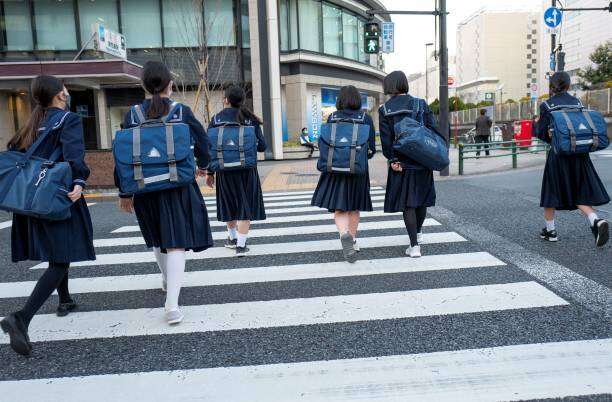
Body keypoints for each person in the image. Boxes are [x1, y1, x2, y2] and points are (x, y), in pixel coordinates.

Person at [0, 75, 95, 356]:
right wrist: (79, 181)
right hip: (55, 197)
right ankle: (22, 318)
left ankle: (64, 298)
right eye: (64, 87)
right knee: (61, 257)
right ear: (60, 94)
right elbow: (74, 154)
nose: (67, 91)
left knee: (58, 252)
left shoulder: (32, 123)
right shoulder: (67, 119)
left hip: (29, 202)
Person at [116, 61, 213, 325]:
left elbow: (122, 157)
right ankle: (172, 305)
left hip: (143, 187)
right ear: (170, 84)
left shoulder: (133, 115)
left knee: (158, 238)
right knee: (176, 241)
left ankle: (167, 280)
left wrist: (125, 192)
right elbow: (203, 142)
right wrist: (203, 167)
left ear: (144, 86)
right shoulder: (180, 111)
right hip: (178, 185)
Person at [536, 71, 609, 247]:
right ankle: (595, 220)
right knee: (580, 191)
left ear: (552, 86)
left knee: (551, 191)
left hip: (558, 155)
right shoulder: (577, 102)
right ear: (568, 85)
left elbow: (542, 133)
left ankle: (550, 231)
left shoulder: (547, 105)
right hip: (579, 154)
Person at [379, 71, 443, 258]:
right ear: (404, 84)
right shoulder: (420, 104)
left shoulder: (385, 110)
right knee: (421, 200)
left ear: (389, 86)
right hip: (423, 159)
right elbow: (433, 128)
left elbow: (386, 139)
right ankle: (419, 233)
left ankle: (414, 246)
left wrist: (392, 159)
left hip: (402, 161)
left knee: (408, 203)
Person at [311, 85, 376, 263]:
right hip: (357, 170)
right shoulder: (366, 118)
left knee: (340, 207)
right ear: (357, 100)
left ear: (340, 100)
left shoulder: (332, 117)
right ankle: (353, 241)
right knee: (354, 206)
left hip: (335, 169)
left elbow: (325, 142)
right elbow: (371, 149)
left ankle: (343, 234)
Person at [207, 85, 267, 256]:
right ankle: (241, 245)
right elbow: (262, 146)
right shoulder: (250, 119)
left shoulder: (216, 119)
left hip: (224, 171)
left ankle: (232, 238)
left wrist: (210, 173)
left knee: (229, 204)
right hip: (247, 171)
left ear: (225, 100)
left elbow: (209, 148)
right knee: (244, 206)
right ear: (242, 101)